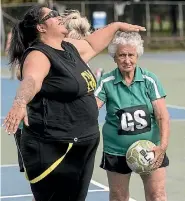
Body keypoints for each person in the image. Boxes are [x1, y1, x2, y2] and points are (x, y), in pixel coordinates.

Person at [3, 4, 145, 201]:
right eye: (52, 15)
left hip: (82, 143)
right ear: (41, 28)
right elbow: (31, 80)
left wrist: (116, 26)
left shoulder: (69, 47)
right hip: (56, 146)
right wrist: (20, 101)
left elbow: (93, 45)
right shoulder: (39, 54)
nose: (59, 16)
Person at [95, 31, 170, 201]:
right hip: (116, 150)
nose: (127, 60)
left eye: (131, 55)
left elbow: (162, 116)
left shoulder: (150, 80)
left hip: (151, 149)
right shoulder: (106, 82)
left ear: (137, 56)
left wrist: (162, 147)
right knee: (118, 197)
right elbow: (91, 109)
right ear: (114, 57)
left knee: (157, 195)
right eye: (122, 55)